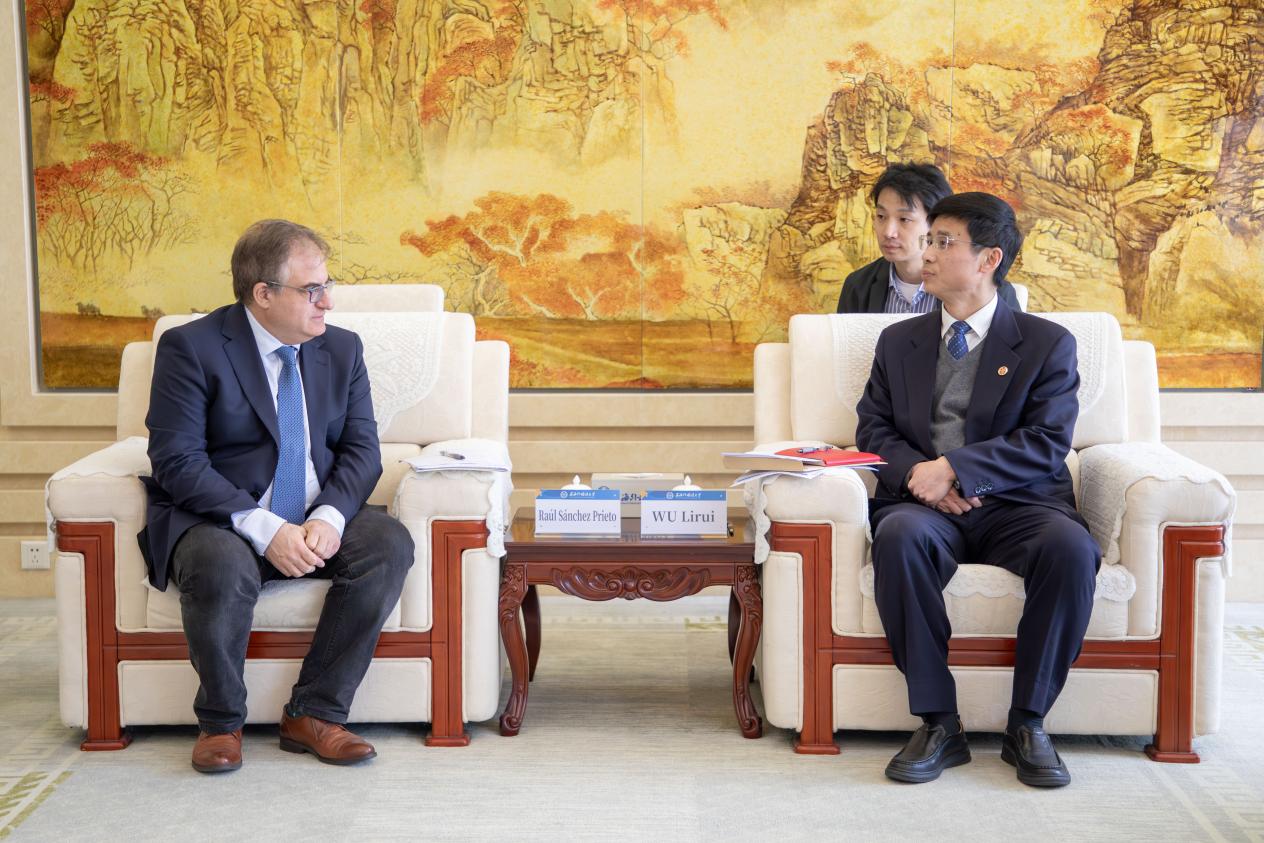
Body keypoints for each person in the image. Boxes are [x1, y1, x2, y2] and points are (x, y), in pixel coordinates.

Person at [138, 220, 414, 774]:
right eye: (312, 290)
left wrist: (329, 517)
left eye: (327, 286)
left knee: (388, 543)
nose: (327, 302)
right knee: (216, 563)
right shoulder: (191, 348)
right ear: (263, 294)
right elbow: (177, 461)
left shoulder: (341, 348)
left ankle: (315, 714)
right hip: (223, 517)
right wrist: (266, 528)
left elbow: (363, 450)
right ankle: (220, 723)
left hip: (314, 511)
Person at [855, 193, 1099, 788]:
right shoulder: (898, 342)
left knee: (1071, 548)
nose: (927, 252)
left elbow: (1047, 440)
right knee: (898, 537)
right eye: (929, 240)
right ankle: (939, 723)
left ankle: (1029, 723)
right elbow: (873, 430)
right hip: (925, 508)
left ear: (990, 259)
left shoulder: (1047, 343)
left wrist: (957, 470)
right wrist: (924, 477)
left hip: (1019, 505)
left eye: (943, 242)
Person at [835, 163, 1021, 314]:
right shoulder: (858, 286)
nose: (888, 232)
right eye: (881, 216)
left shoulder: (992, 293)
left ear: (936, 223)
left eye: (904, 219)